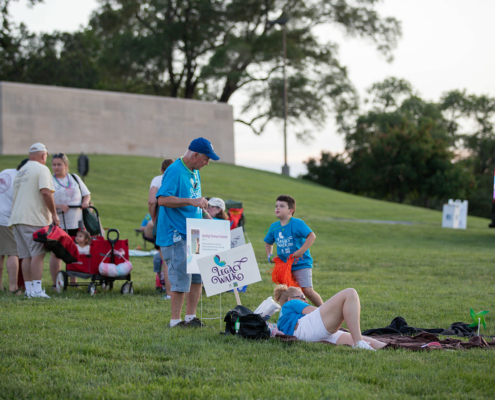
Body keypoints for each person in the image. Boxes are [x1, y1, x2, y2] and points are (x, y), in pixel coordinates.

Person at [156, 138, 219, 328]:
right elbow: (162, 200)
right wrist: (191, 202)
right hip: (175, 234)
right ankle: (175, 321)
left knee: (197, 276)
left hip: (195, 233)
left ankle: (190, 318)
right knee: (182, 276)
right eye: (206, 159)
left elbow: (195, 201)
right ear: (195, 155)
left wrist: (210, 219)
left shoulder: (195, 171)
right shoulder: (174, 170)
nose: (207, 163)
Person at [9, 143, 60, 298]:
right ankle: (37, 291)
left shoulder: (20, 171)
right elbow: (45, 192)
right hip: (33, 218)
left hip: (17, 218)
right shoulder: (42, 169)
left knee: (25, 255)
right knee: (37, 254)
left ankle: (30, 290)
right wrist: (54, 214)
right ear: (43, 155)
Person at [274, 285, 386, 350]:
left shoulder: (283, 318)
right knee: (350, 293)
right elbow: (315, 311)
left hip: (311, 335)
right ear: (290, 299)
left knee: (372, 342)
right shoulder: (291, 303)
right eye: (302, 297)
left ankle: (378, 346)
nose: (306, 300)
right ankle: (358, 342)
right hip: (310, 329)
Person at [264, 195, 323, 306]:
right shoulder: (274, 227)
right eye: (276, 206)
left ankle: (324, 310)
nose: (277, 208)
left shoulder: (297, 223)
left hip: (301, 263)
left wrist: (301, 251)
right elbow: (268, 243)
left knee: (307, 291)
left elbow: (311, 236)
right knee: (288, 293)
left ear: (291, 211)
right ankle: (292, 313)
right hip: (284, 266)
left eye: (282, 206)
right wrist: (270, 256)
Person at [50, 153, 91, 288]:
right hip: (59, 223)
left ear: (66, 165)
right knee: (57, 252)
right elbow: (45, 201)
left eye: (59, 164)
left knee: (74, 250)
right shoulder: (50, 180)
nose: (56, 167)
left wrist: (85, 202)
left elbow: (86, 194)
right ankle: (56, 282)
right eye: (54, 165)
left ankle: (73, 281)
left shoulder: (74, 178)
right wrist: (58, 206)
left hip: (76, 222)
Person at [0, 159, 27, 295]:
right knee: (13, 252)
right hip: (6, 219)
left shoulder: (5, 172)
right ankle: (13, 288)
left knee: (1, 253)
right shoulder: (20, 179)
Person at [148, 158, 174, 294]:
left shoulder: (158, 179)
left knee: (167, 261)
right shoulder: (181, 178)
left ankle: (170, 294)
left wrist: (153, 218)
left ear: (162, 170)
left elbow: (152, 202)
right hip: (180, 223)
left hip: (164, 223)